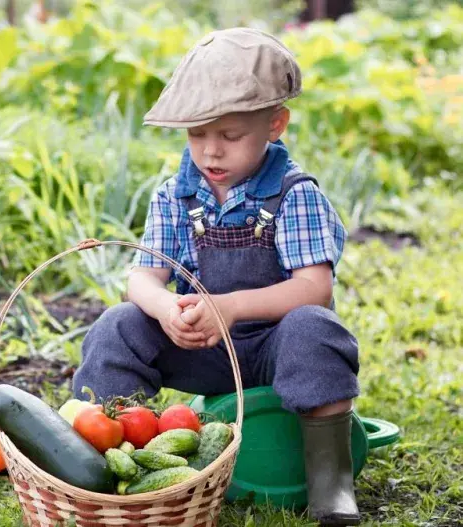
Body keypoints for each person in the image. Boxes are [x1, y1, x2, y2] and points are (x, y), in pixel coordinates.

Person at [71, 28, 361, 526]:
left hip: (275, 346)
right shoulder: (175, 195)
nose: (210, 153)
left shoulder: (293, 195)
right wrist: (166, 309)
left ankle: (331, 482)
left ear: (275, 124)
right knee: (119, 324)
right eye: (196, 135)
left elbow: (315, 287)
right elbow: (142, 278)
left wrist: (231, 307)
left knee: (315, 327)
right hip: (201, 348)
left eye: (229, 136)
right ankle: (103, 467)